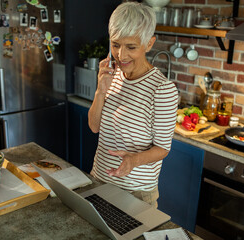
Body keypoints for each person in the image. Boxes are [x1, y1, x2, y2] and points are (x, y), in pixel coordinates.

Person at [88, 2, 178, 208]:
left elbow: (163, 148)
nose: (121, 55)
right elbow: (94, 127)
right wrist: (100, 91)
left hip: (136, 193)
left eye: (131, 47)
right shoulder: (111, 75)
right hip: (99, 179)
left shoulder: (162, 90)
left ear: (149, 44)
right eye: (115, 44)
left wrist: (133, 160)